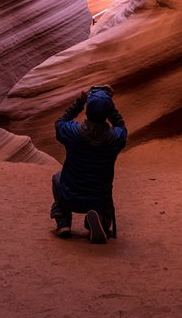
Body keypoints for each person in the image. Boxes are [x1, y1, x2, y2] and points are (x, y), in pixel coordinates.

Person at [50, 84, 127, 244]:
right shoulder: (115, 138)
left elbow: (59, 123)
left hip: (70, 195)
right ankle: (100, 221)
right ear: (107, 113)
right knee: (104, 197)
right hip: (98, 198)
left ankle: (63, 223)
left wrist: (79, 103)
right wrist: (110, 105)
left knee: (57, 178)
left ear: (87, 110)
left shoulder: (73, 133)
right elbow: (121, 128)